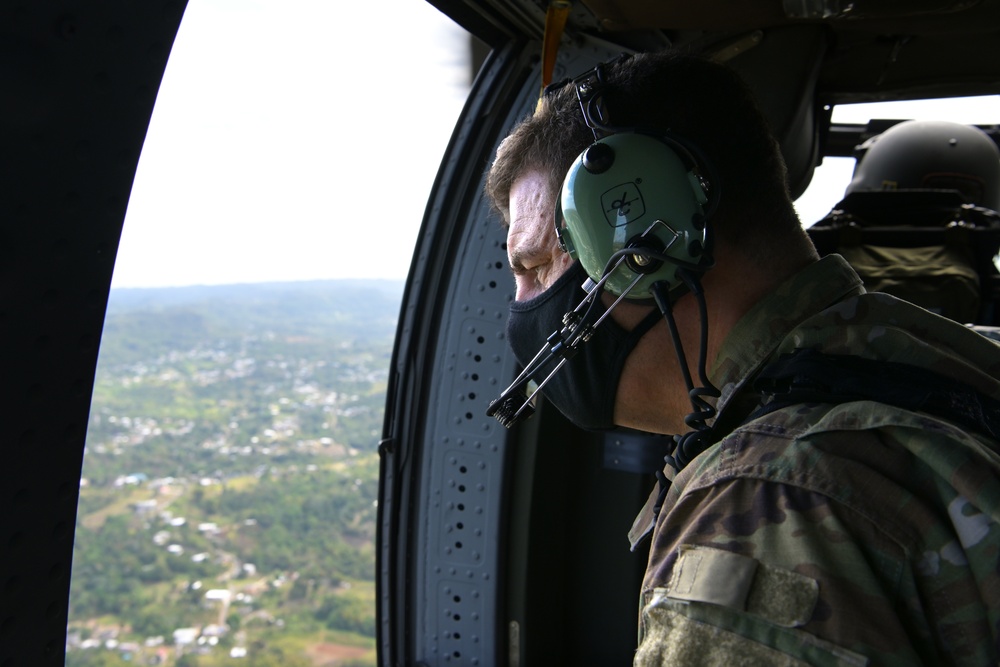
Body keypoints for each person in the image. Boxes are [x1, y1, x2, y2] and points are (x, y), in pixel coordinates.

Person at [485, 51, 1000, 666]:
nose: (523, 307)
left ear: (647, 237)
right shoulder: (941, 359)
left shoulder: (764, 505)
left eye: (537, 266)